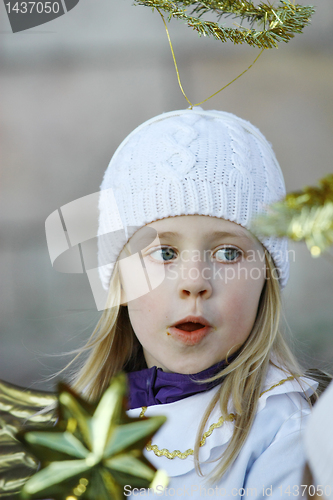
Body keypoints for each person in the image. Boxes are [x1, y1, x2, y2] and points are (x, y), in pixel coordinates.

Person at [67, 108, 317, 498]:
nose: (195, 282)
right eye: (164, 253)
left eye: (229, 254)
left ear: (265, 279)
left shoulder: (285, 429)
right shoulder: (79, 427)